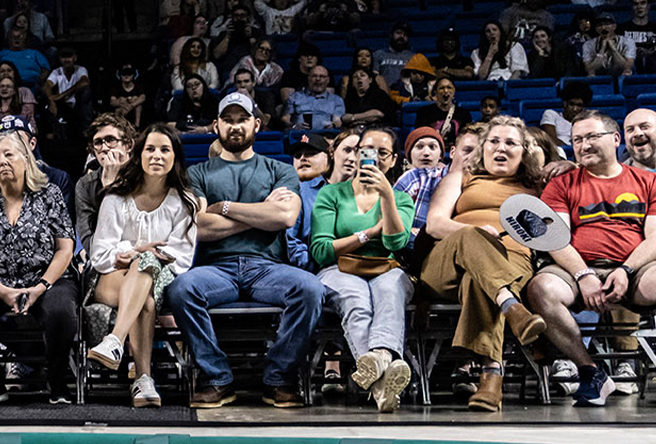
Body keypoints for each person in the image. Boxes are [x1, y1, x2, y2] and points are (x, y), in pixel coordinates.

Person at [165, 92, 322, 408]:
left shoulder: (280, 171)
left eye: (242, 120)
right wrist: (260, 214)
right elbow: (199, 227)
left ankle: (278, 379)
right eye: (228, 120)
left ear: (257, 124)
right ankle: (217, 379)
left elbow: (285, 216)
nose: (235, 126)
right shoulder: (197, 173)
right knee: (181, 290)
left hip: (268, 267)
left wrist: (223, 207)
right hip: (215, 268)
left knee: (310, 289)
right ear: (216, 126)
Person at [418, 116, 551, 412]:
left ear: (524, 152)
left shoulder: (535, 187)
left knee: (479, 280)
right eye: (494, 141)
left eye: (510, 143)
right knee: (472, 238)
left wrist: (565, 166)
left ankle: (491, 379)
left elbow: (551, 230)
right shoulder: (462, 177)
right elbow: (435, 224)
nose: (500, 148)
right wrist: (475, 233)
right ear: (483, 147)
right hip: (446, 262)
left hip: (511, 261)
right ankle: (512, 308)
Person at [523, 115, 656, 405]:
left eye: (592, 137)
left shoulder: (649, 181)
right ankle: (590, 371)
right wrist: (584, 275)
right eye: (577, 140)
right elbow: (555, 238)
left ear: (616, 139)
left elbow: (655, 237)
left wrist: (625, 269)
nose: (584, 145)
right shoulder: (561, 185)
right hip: (576, 270)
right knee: (541, 288)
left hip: (636, 270)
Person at [0, 129, 77, 406]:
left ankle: (57, 382)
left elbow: (65, 247)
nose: (2, 161)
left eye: (9, 154)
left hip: (47, 279)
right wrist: (0, 289)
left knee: (61, 310)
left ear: (26, 159)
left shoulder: (49, 194)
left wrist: (41, 286)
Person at [85, 123, 198, 408]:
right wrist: (137, 251)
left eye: (164, 150)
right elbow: (100, 255)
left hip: (162, 280)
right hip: (111, 276)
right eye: (150, 149)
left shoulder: (185, 203)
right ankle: (143, 380)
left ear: (175, 157)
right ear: (139, 154)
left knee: (145, 281)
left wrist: (137, 254)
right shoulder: (115, 197)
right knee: (143, 284)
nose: (157, 156)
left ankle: (114, 341)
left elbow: (182, 257)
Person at [311, 125, 415, 412]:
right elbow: (321, 251)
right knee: (357, 300)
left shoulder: (400, 198)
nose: (375, 158)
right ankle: (383, 382)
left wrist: (387, 197)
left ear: (393, 160)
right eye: (367, 151)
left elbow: (396, 243)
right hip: (339, 269)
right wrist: (367, 234)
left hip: (386, 266)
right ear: (356, 155)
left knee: (389, 291)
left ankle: (379, 357)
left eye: (383, 153)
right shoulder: (331, 194)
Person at [76, 114, 136, 244]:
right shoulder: (85, 184)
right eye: (98, 143)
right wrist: (108, 189)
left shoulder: (145, 177)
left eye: (110, 140)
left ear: (128, 145)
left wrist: (112, 185)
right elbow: (89, 242)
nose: (104, 148)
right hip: (105, 258)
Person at [284, 65, 345, 132]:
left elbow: (338, 120)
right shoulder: (294, 97)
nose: (318, 79)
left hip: (326, 136)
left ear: (328, 80)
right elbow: (285, 118)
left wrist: (333, 125)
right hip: (300, 135)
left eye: (322, 76)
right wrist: (294, 126)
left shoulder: (337, 100)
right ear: (308, 79)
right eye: (314, 76)